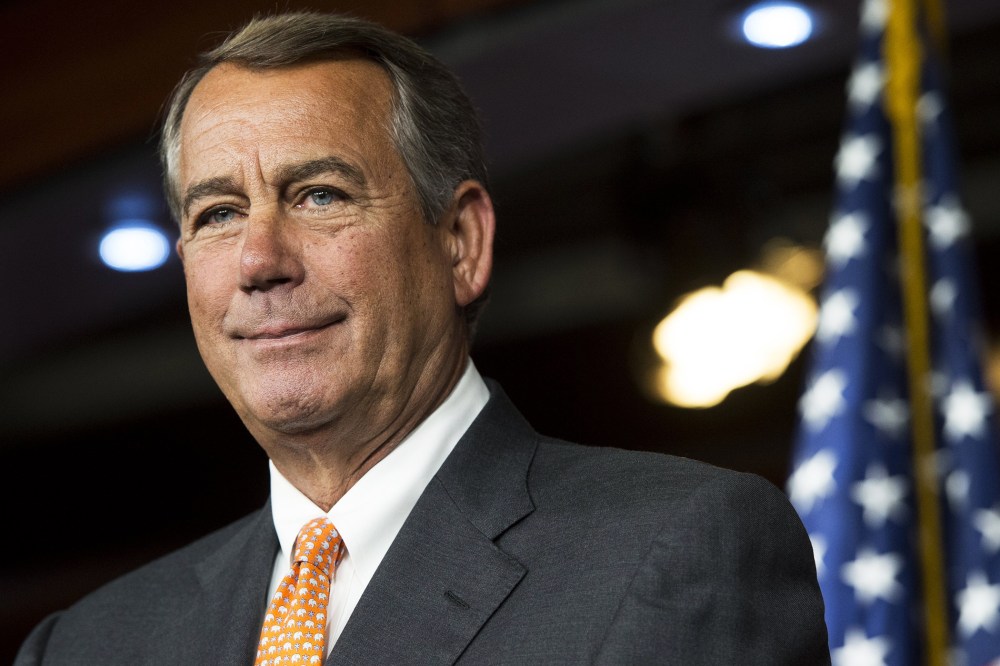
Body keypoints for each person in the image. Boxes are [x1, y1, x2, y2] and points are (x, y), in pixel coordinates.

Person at [15, 11, 829, 665]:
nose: (260, 261)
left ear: (460, 243)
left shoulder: (677, 552)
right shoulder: (89, 645)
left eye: (320, 196)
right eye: (218, 214)